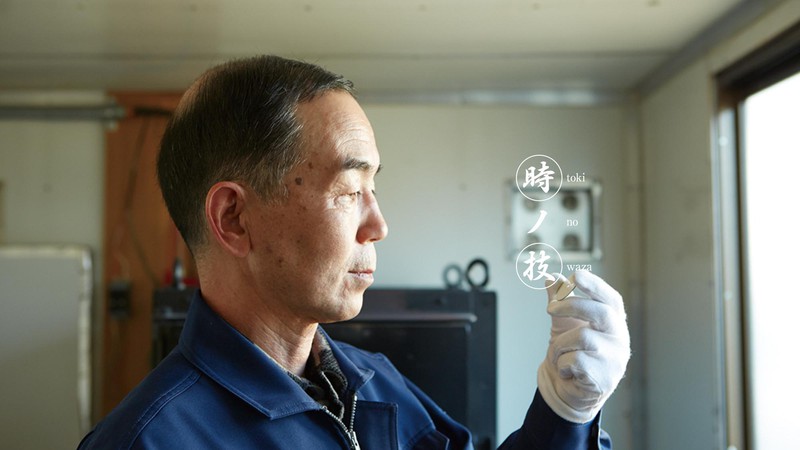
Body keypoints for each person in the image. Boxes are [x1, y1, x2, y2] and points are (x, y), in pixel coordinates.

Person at [78, 55, 630, 449]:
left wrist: (565, 413)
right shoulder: (148, 439)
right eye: (347, 191)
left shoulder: (373, 382)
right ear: (234, 219)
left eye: (374, 188)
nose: (379, 226)